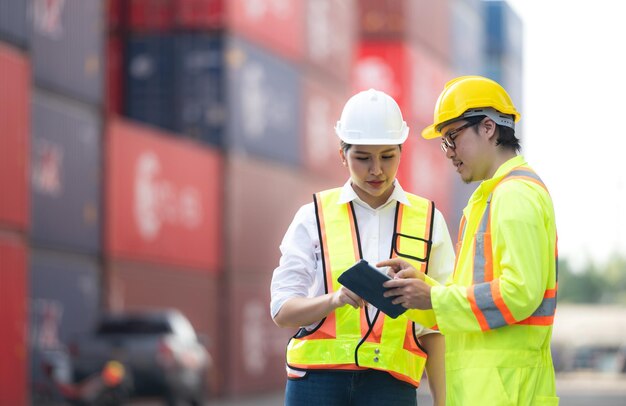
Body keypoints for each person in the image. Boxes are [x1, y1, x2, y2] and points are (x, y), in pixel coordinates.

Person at [380, 76, 559, 405]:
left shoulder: (514, 195)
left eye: (452, 138)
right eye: (444, 143)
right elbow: (473, 302)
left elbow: (520, 293)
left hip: (506, 391)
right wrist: (420, 292)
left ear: (488, 128)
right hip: (490, 388)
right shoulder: (486, 200)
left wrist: (434, 297)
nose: (448, 152)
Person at [270, 89, 455, 406]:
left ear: (401, 151)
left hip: (389, 386)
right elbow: (282, 310)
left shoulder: (429, 221)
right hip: (315, 384)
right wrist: (336, 300)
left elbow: (438, 323)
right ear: (343, 154)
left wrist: (445, 402)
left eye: (387, 156)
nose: (377, 170)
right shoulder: (313, 216)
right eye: (363, 157)